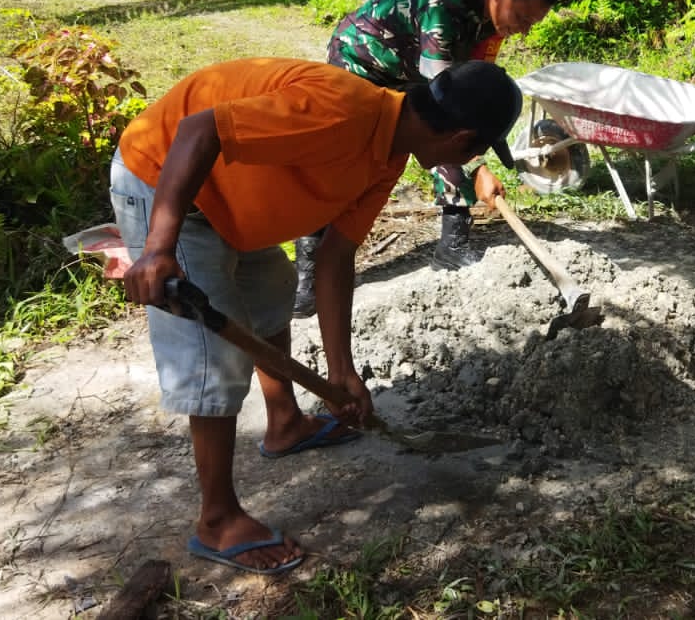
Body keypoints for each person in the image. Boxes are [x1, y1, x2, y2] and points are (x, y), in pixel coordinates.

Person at [111, 56, 522, 575]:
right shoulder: (344, 113)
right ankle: (216, 519)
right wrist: (158, 247)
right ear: (462, 140)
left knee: (272, 293)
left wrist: (341, 370)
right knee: (214, 357)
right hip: (166, 178)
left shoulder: (388, 154)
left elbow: (334, 257)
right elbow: (199, 129)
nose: (475, 157)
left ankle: (285, 422)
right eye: (480, 150)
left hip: (231, 201)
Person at [292, 0, 560, 317]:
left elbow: (474, 95)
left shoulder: (492, 19)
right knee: (342, 161)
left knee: (447, 133)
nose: (523, 30)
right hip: (362, 61)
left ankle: (451, 244)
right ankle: (307, 276)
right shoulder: (443, 6)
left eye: (532, 24)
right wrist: (479, 167)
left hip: (411, 73)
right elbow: (448, 110)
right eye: (523, 18)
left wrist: (478, 150)